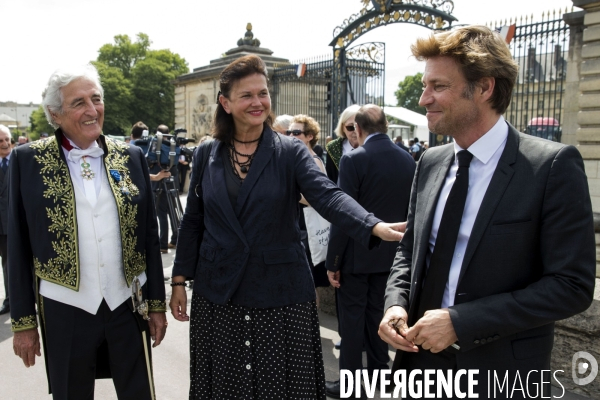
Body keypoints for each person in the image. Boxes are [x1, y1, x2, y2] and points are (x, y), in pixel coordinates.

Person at [169, 54, 405, 399]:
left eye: (263, 93)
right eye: (247, 95)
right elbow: (193, 222)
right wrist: (178, 280)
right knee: (225, 386)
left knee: (280, 386)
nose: (258, 102)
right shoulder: (208, 154)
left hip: (280, 293)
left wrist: (372, 225)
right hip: (218, 291)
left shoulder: (290, 150)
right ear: (225, 103)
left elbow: (328, 196)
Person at [378, 25, 596, 398]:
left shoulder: (551, 166)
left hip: (499, 373)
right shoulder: (430, 161)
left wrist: (461, 322)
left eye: (438, 86)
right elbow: (409, 251)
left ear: (484, 88)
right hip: (416, 367)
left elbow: (571, 287)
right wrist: (395, 305)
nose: (423, 98)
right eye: (425, 85)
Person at [9, 64, 167, 399]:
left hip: (127, 302)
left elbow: (148, 237)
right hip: (64, 306)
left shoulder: (131, 155)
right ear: (55, 113)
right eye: (79, 102)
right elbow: (18, 245)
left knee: (139, 393)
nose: (92, 110)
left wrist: (156, 304)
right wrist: (24, 322)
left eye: (96, 99)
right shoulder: (28, 160)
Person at [324, 105, 415, 399]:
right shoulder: (408, 159)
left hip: (356, 254)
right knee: (379, 315)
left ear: (358, 129)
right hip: (392, 256)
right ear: (386, 126)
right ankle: (380, 374)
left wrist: (333, 260)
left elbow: (344, 214)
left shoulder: (353, 159)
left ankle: (351, 385)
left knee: (351, 322)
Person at [289, 114, 330, 301]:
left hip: (308, 225)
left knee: (308, 279)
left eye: (296, 132)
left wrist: (290, 193)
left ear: (309, 136)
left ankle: (311, 323)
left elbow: (318, 198)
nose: (291, 135)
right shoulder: (299, 158)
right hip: (300, 222)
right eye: (289, 132)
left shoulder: (313, 161)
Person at [153, 123, 178, 253]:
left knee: (161, 214)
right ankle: (175, 239)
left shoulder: (157, 148)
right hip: (173, 182)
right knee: (174, 211)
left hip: (160, 184)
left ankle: (163, 244)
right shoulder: (172, 147)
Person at [325, 104, 360, 185]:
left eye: (359, 126)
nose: (355, 131)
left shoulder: (371, 147)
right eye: (350, 127)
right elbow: (330, 179)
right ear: (343, 127)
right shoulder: (333, 148)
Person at [0, 125, 11, 315]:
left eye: (6, 139)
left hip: (17, 223)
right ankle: (10, 301)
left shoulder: (20, 161)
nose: (4, 144)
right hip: (1, 226)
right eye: (0, 141)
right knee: (7, 264)